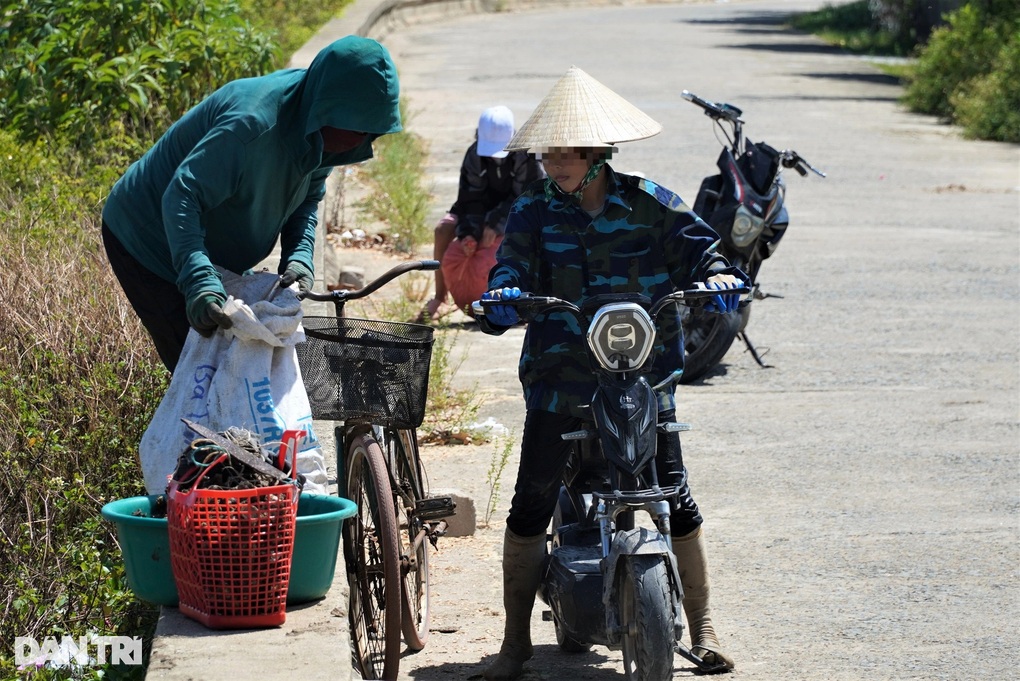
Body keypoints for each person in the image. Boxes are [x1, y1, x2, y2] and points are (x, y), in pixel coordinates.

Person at [475, 67, 746, 680]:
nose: (555, 162)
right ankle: (515, 642)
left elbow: (703, 251)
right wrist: (504, 296)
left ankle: (702, 629)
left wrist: (720, 278)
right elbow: (509, 269)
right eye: (547, 151)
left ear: (600, 152)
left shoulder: (650, 202)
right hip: (559, 378)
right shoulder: (531, 214)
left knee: (675, 497)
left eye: (568, 150)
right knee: (530, 504)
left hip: (643, 379)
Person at [101, 36, 402, 372]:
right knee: (202, 375)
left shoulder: (326, 130)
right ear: (325, 107)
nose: (363, 142)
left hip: (213, 248)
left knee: (242, 367)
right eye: (359, 129)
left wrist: (299, 257)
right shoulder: (251, 127)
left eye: (372, 132)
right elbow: (182, 195)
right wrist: (199, 280)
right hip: (149, 240)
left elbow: (306, 200)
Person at [422, 105, 544, 320]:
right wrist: (469, 232)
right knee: (443, 229)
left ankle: (534, 298)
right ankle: (440, 297)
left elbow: (526, 197)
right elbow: (470, 198)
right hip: (478, 214)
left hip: (517, 212)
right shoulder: (474, 156)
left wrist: (496, 223)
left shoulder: (527, 156)